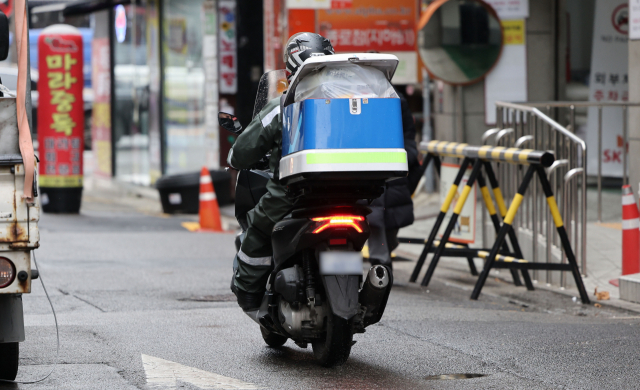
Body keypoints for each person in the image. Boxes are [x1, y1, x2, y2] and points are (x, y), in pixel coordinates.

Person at [227, 32, 335, 312]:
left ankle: (249, 296)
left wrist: (235, 158)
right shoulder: (346, 101)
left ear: (291, 65)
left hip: (293, 195)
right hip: (347, 191)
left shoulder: (285, 104)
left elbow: (242, 152)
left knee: (257, 229)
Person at [366, 76, 421, 272]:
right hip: (366, 166)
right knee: (375, 220)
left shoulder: (397, 100)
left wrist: (407, 157)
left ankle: (382, 257)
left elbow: (408, 134)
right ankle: (380, 262)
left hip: (392, 164)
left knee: (388, 225)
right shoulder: (350, 97)